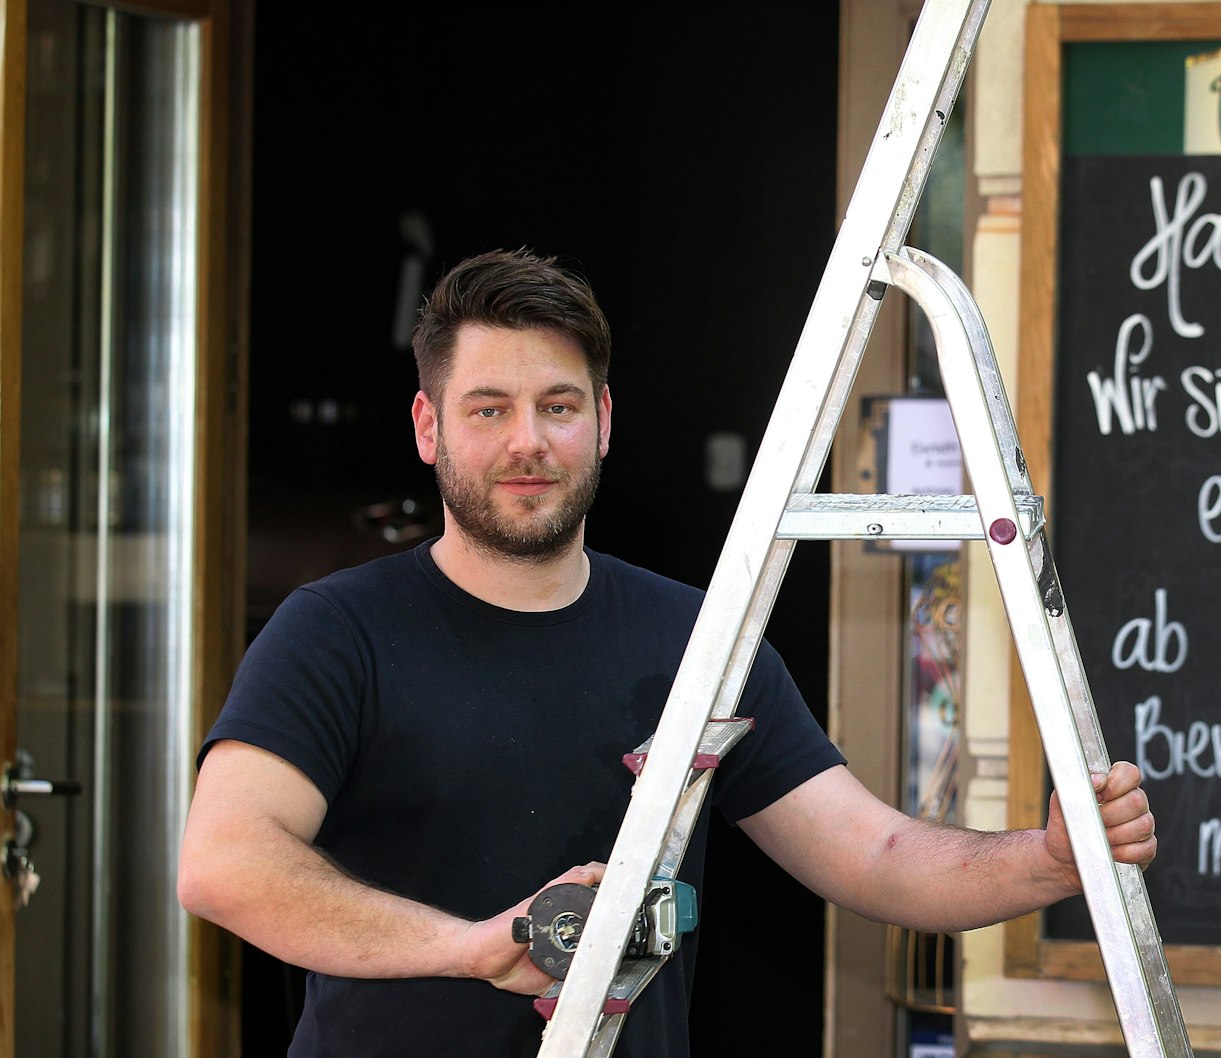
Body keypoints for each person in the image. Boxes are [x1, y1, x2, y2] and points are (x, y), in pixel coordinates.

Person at [176, 248, 1157, 1057]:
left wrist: (1047, 858)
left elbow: (876, 852)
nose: (528, 440)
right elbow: (224, 861)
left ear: (602, 422)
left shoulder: (696, 637)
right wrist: (473, 945)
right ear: (429, 428)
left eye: (559, 405)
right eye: (488, 408)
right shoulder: (337, 630)